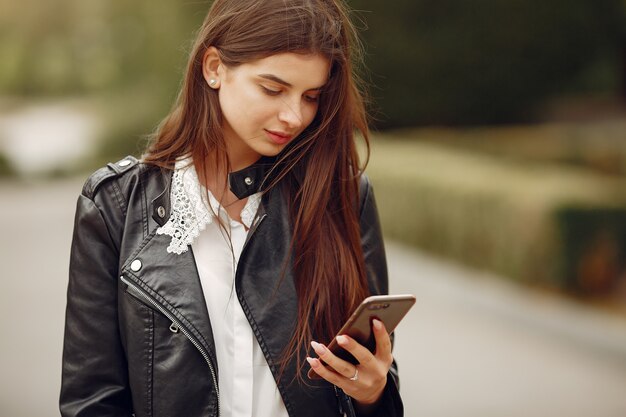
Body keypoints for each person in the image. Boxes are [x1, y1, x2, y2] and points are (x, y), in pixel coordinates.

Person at [60, 0, 403, 416]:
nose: (294, 116)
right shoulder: (114, 205)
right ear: (213, 68)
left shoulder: (342, 197)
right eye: (273, 89)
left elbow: (375, 378)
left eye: (312, 96)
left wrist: (372, 394)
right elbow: (92, 401)